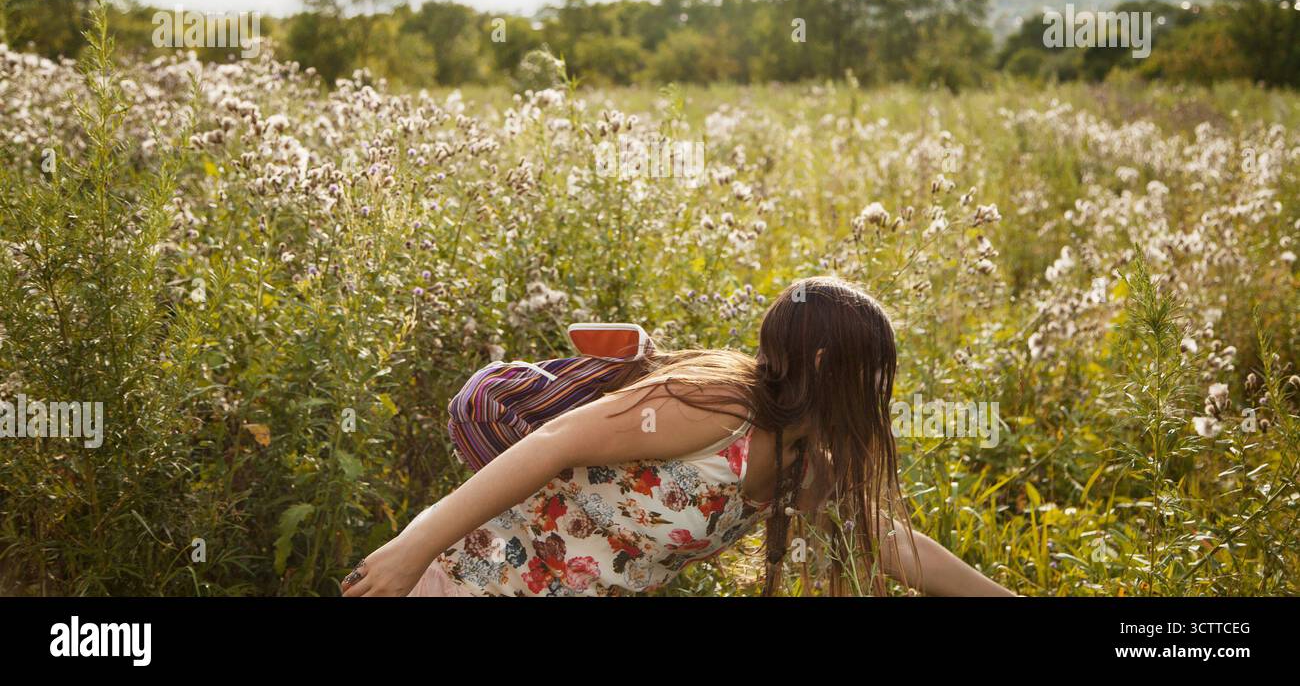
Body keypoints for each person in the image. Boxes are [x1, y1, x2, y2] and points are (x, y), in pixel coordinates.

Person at [341, 276, 1014, 596]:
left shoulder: (808, 466)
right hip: (470, 583)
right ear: (823, 365)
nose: (880, 390)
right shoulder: (719, 405)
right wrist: (407, 552)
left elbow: (888, 543)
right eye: (874, 371)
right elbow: (553, 443)